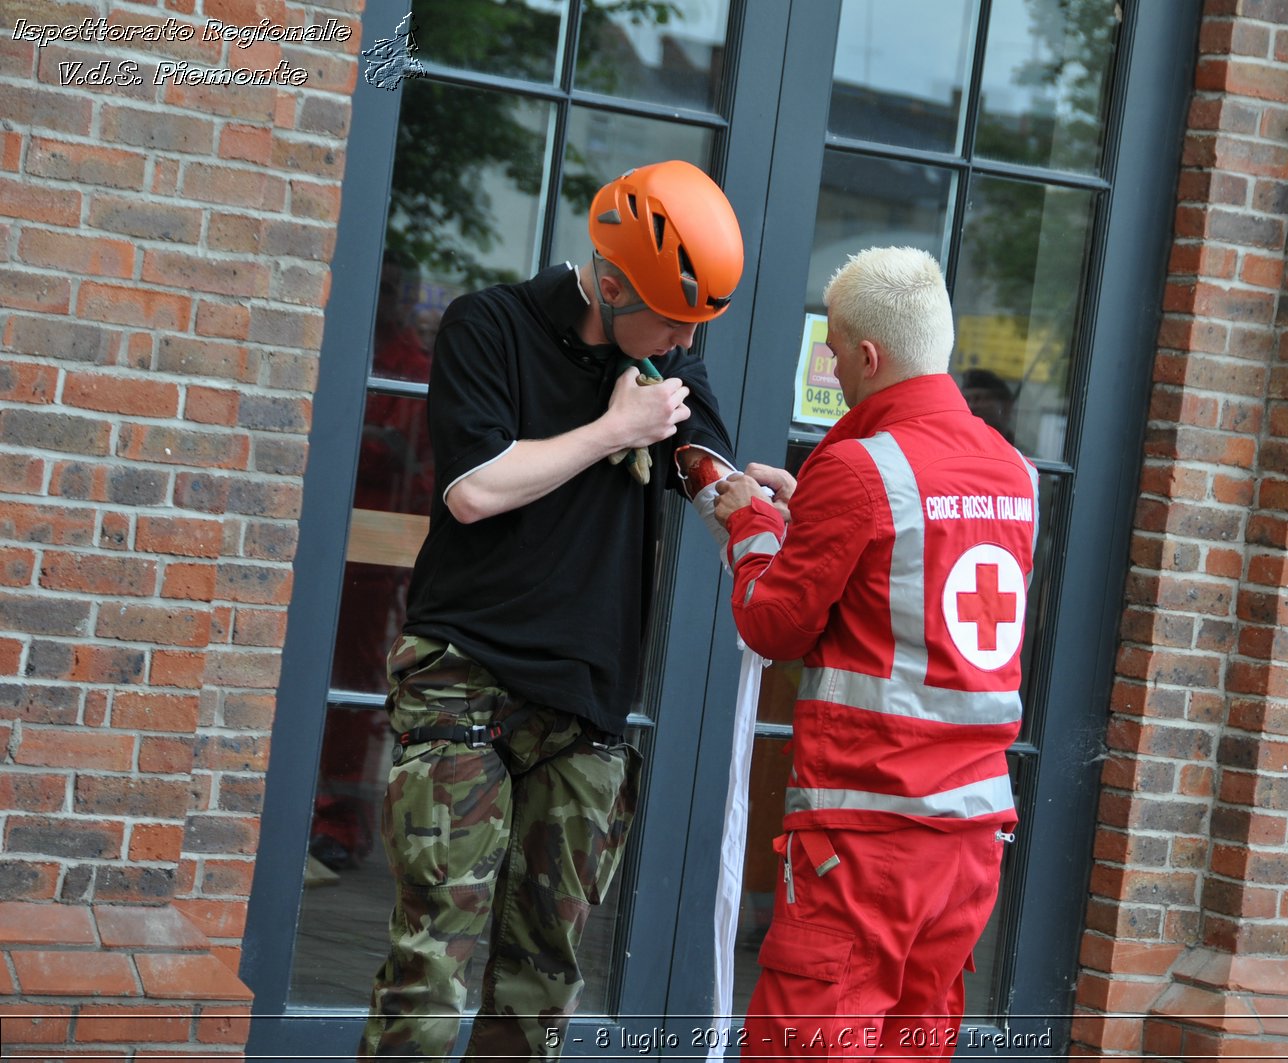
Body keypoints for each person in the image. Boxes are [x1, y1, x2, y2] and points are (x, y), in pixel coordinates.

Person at [358, 160, 745, 1060]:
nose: (685, 339)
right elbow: (472, 491)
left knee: (541, 986)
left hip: (585, 705)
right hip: (465, 680)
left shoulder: (668, 354)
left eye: (697, 324)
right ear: (610, 281)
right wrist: (614, 429)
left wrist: (746, 497)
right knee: (431, 965)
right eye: (671, 317)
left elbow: (703, 461)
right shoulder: (487, 325)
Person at [714, 247, 1038, 1058]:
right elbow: (906, 587)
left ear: (868, 355)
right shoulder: (1014, 472)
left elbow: (773, 624)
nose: (826, 359)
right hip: (968, 841)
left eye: (833, 345)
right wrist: (813, 522)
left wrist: (754, 530)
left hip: (865, 842)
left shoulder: (858, 467)